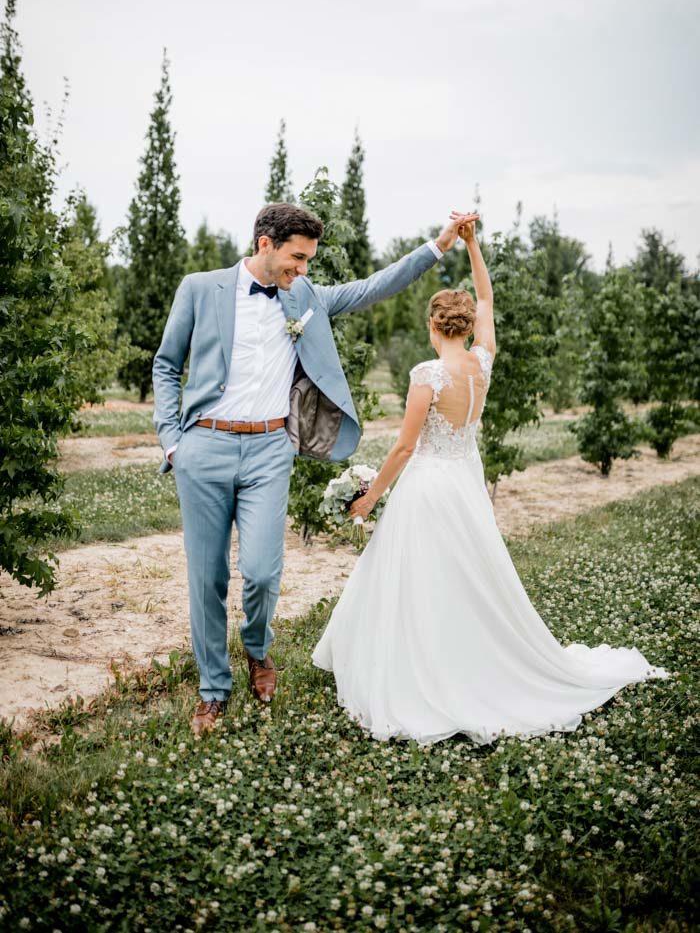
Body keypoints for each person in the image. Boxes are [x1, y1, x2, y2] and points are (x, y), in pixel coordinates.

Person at [312, 211, 669, 744]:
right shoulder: (483, 362)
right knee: (464, 575)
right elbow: (487, 299)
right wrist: (473, 246)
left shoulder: (427, 375)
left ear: (433, 326)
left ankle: (421, 668)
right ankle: (465, 657)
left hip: (428, 487)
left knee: (420, 578)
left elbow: (405, 447)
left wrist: (369, 497)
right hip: (464, 484)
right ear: (464, 326)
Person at [152, 201, 469, 736]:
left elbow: (374, 287)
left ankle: (257, 648)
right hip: (203, 448)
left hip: (269, 450)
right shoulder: (200, 289)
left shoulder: (306, 296)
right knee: (206, 578)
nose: (303, 269)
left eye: (308, 261)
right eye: (297, 258)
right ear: (265, 245)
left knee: (261, 571)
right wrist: (172, 443)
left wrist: (438, 246)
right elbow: (165, 364)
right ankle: (212, 690)